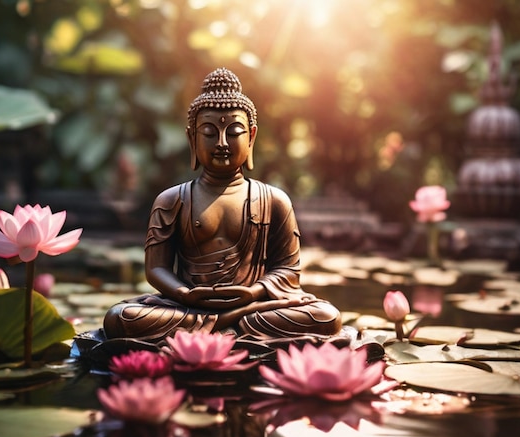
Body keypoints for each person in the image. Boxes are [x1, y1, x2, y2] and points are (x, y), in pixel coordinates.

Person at [104, 68, 342, 341]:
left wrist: (254, 292)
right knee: (121, 317)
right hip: (189, 306)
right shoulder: (172, 200)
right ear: (191, 137)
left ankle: (216, 328)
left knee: (326, 316)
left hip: (253, 307)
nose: (221, 143)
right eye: (208, 132)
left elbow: (289, 271)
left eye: (233, 132)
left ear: (251, 137)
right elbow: (156, 268)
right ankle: (230, 329)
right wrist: (185, 293)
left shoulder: (274, 200)